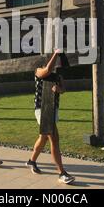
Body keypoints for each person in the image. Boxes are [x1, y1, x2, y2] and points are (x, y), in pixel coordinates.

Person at [26, 49, 76, 184]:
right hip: (42, 109)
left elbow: (63, 89)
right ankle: (61, 173)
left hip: (53, 108)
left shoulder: (58, 76)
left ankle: (32, 161)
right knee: (54, 138)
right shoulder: (38, 70)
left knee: (43, 138)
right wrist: (56, 53)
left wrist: (60, 90)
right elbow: (47, 70)